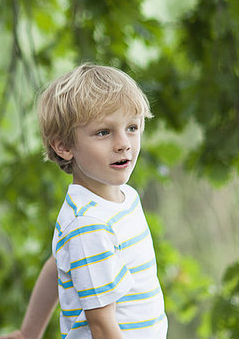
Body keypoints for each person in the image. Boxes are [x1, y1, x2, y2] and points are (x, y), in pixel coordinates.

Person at [32, 64, 167, 338]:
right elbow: (102, 326)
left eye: (132, 127)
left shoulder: (124, 197)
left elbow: (57, 265)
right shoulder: (88, 225)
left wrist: (28, 332)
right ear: (64, 147)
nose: (123, 143)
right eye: (104, 132)